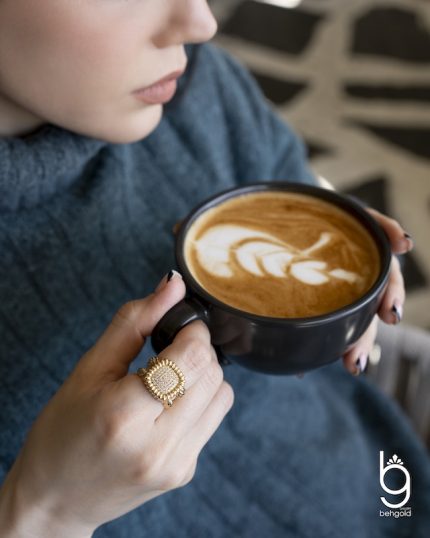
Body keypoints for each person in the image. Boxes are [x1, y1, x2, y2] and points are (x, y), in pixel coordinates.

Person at [0, 1, 428, 536]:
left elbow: (293, 184)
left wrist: (339, 246)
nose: (201, 22)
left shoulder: (198, 88)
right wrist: (43, 511)